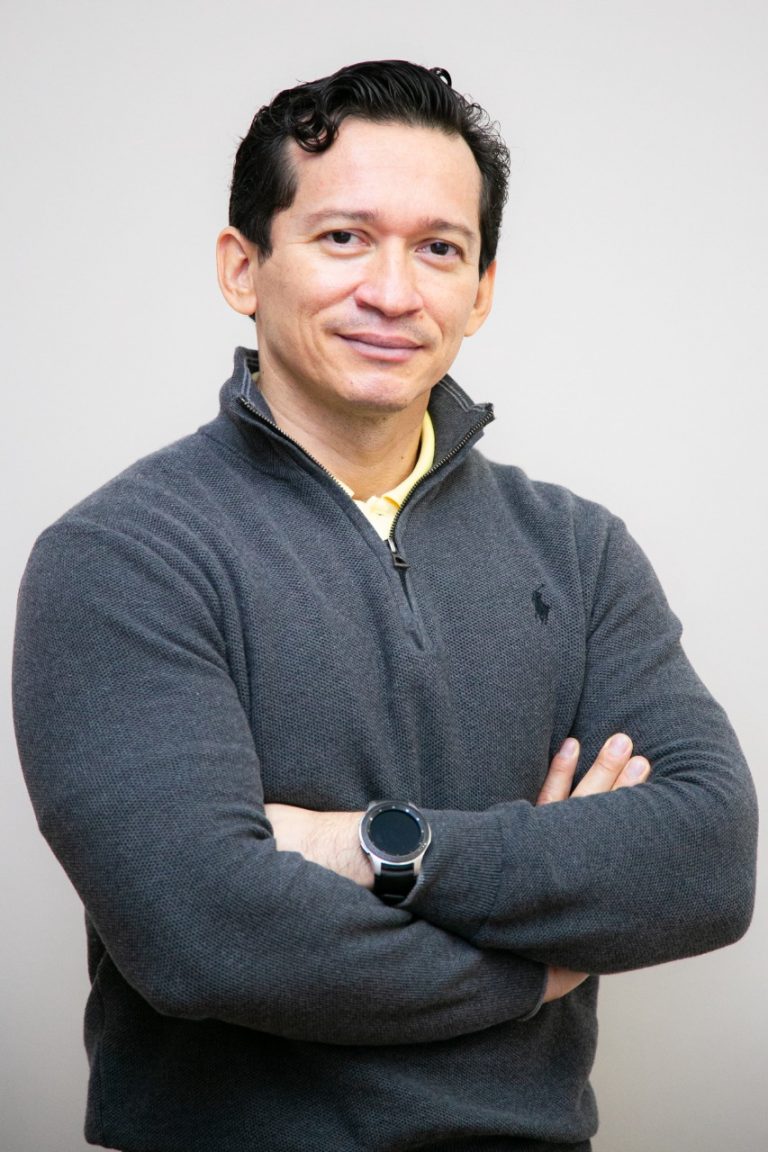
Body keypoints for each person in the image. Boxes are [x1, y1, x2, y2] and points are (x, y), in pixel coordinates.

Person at [13, 59, 757, 1152]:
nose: (395, 293)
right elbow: (200, 935)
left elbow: (707, 862)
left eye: (439, 249)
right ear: (243, 267)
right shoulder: (125, 556)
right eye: (344, 238)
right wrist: (539, 962)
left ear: (481, 289)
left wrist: (364, 845)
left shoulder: (579, 550)